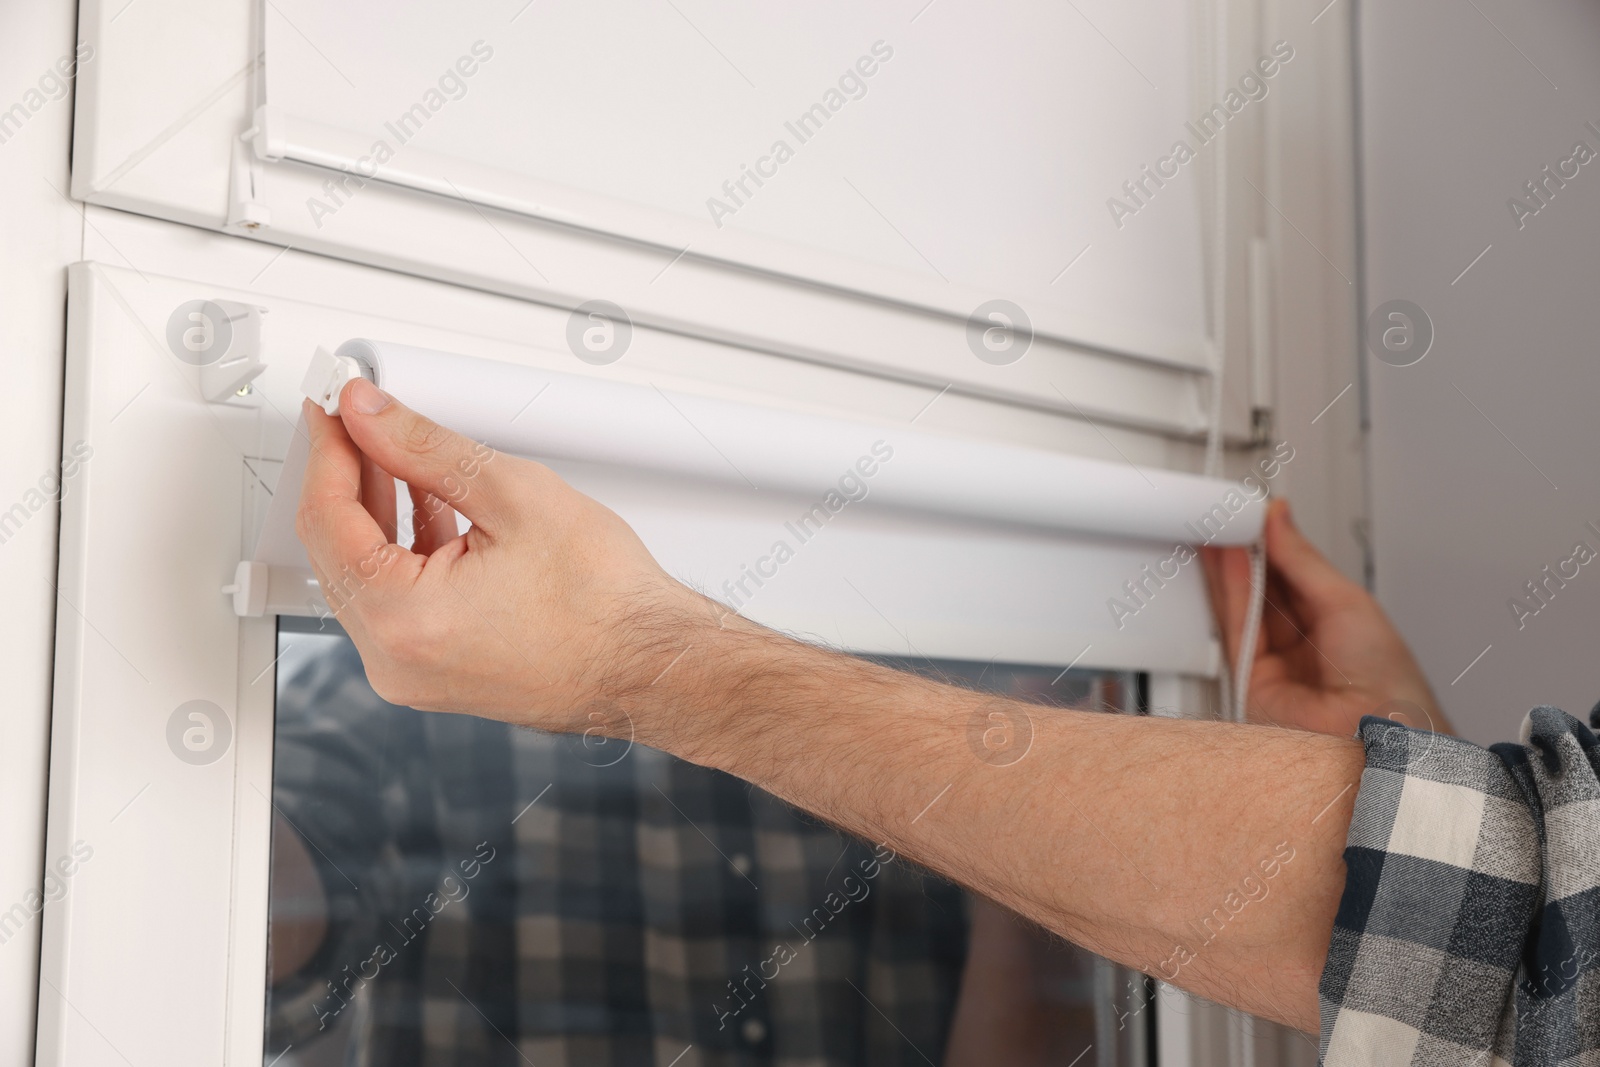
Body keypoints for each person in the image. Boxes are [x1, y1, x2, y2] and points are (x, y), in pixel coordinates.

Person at [298, 377, 1600, 1065]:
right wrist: (1394, 778)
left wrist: (646, 665)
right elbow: (285, 873)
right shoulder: (387, 754)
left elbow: (1505, 932)